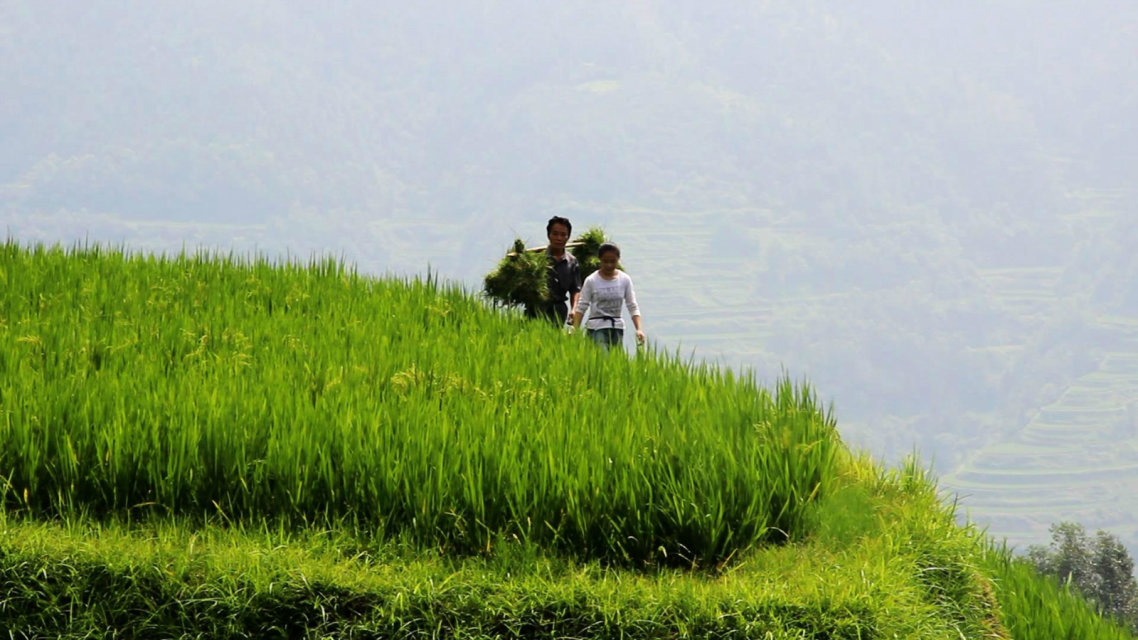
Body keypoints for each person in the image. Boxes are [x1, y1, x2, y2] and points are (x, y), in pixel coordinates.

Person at [571, 242, 645, 351]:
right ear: (600, 259)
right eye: (605, 261)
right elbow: (582, 306)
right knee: (602, 358)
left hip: (617, 328)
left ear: (618, 259)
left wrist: (639, 329)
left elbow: (632, 305)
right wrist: (575, 328)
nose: (609, 265)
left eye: (613, 261)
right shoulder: (592, 280)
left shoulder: (624, 279)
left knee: (614, 362)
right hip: (597, 328)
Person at [525, 216, 581, 326]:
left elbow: (576, 289)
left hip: (558, 310)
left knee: (552, 339)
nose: (559, 238)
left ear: (568, 237)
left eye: (563, 235)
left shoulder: (572, 262)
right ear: (548, 235)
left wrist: (574, 310)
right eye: (555, 234)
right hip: (536, 309)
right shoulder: (537, 259)